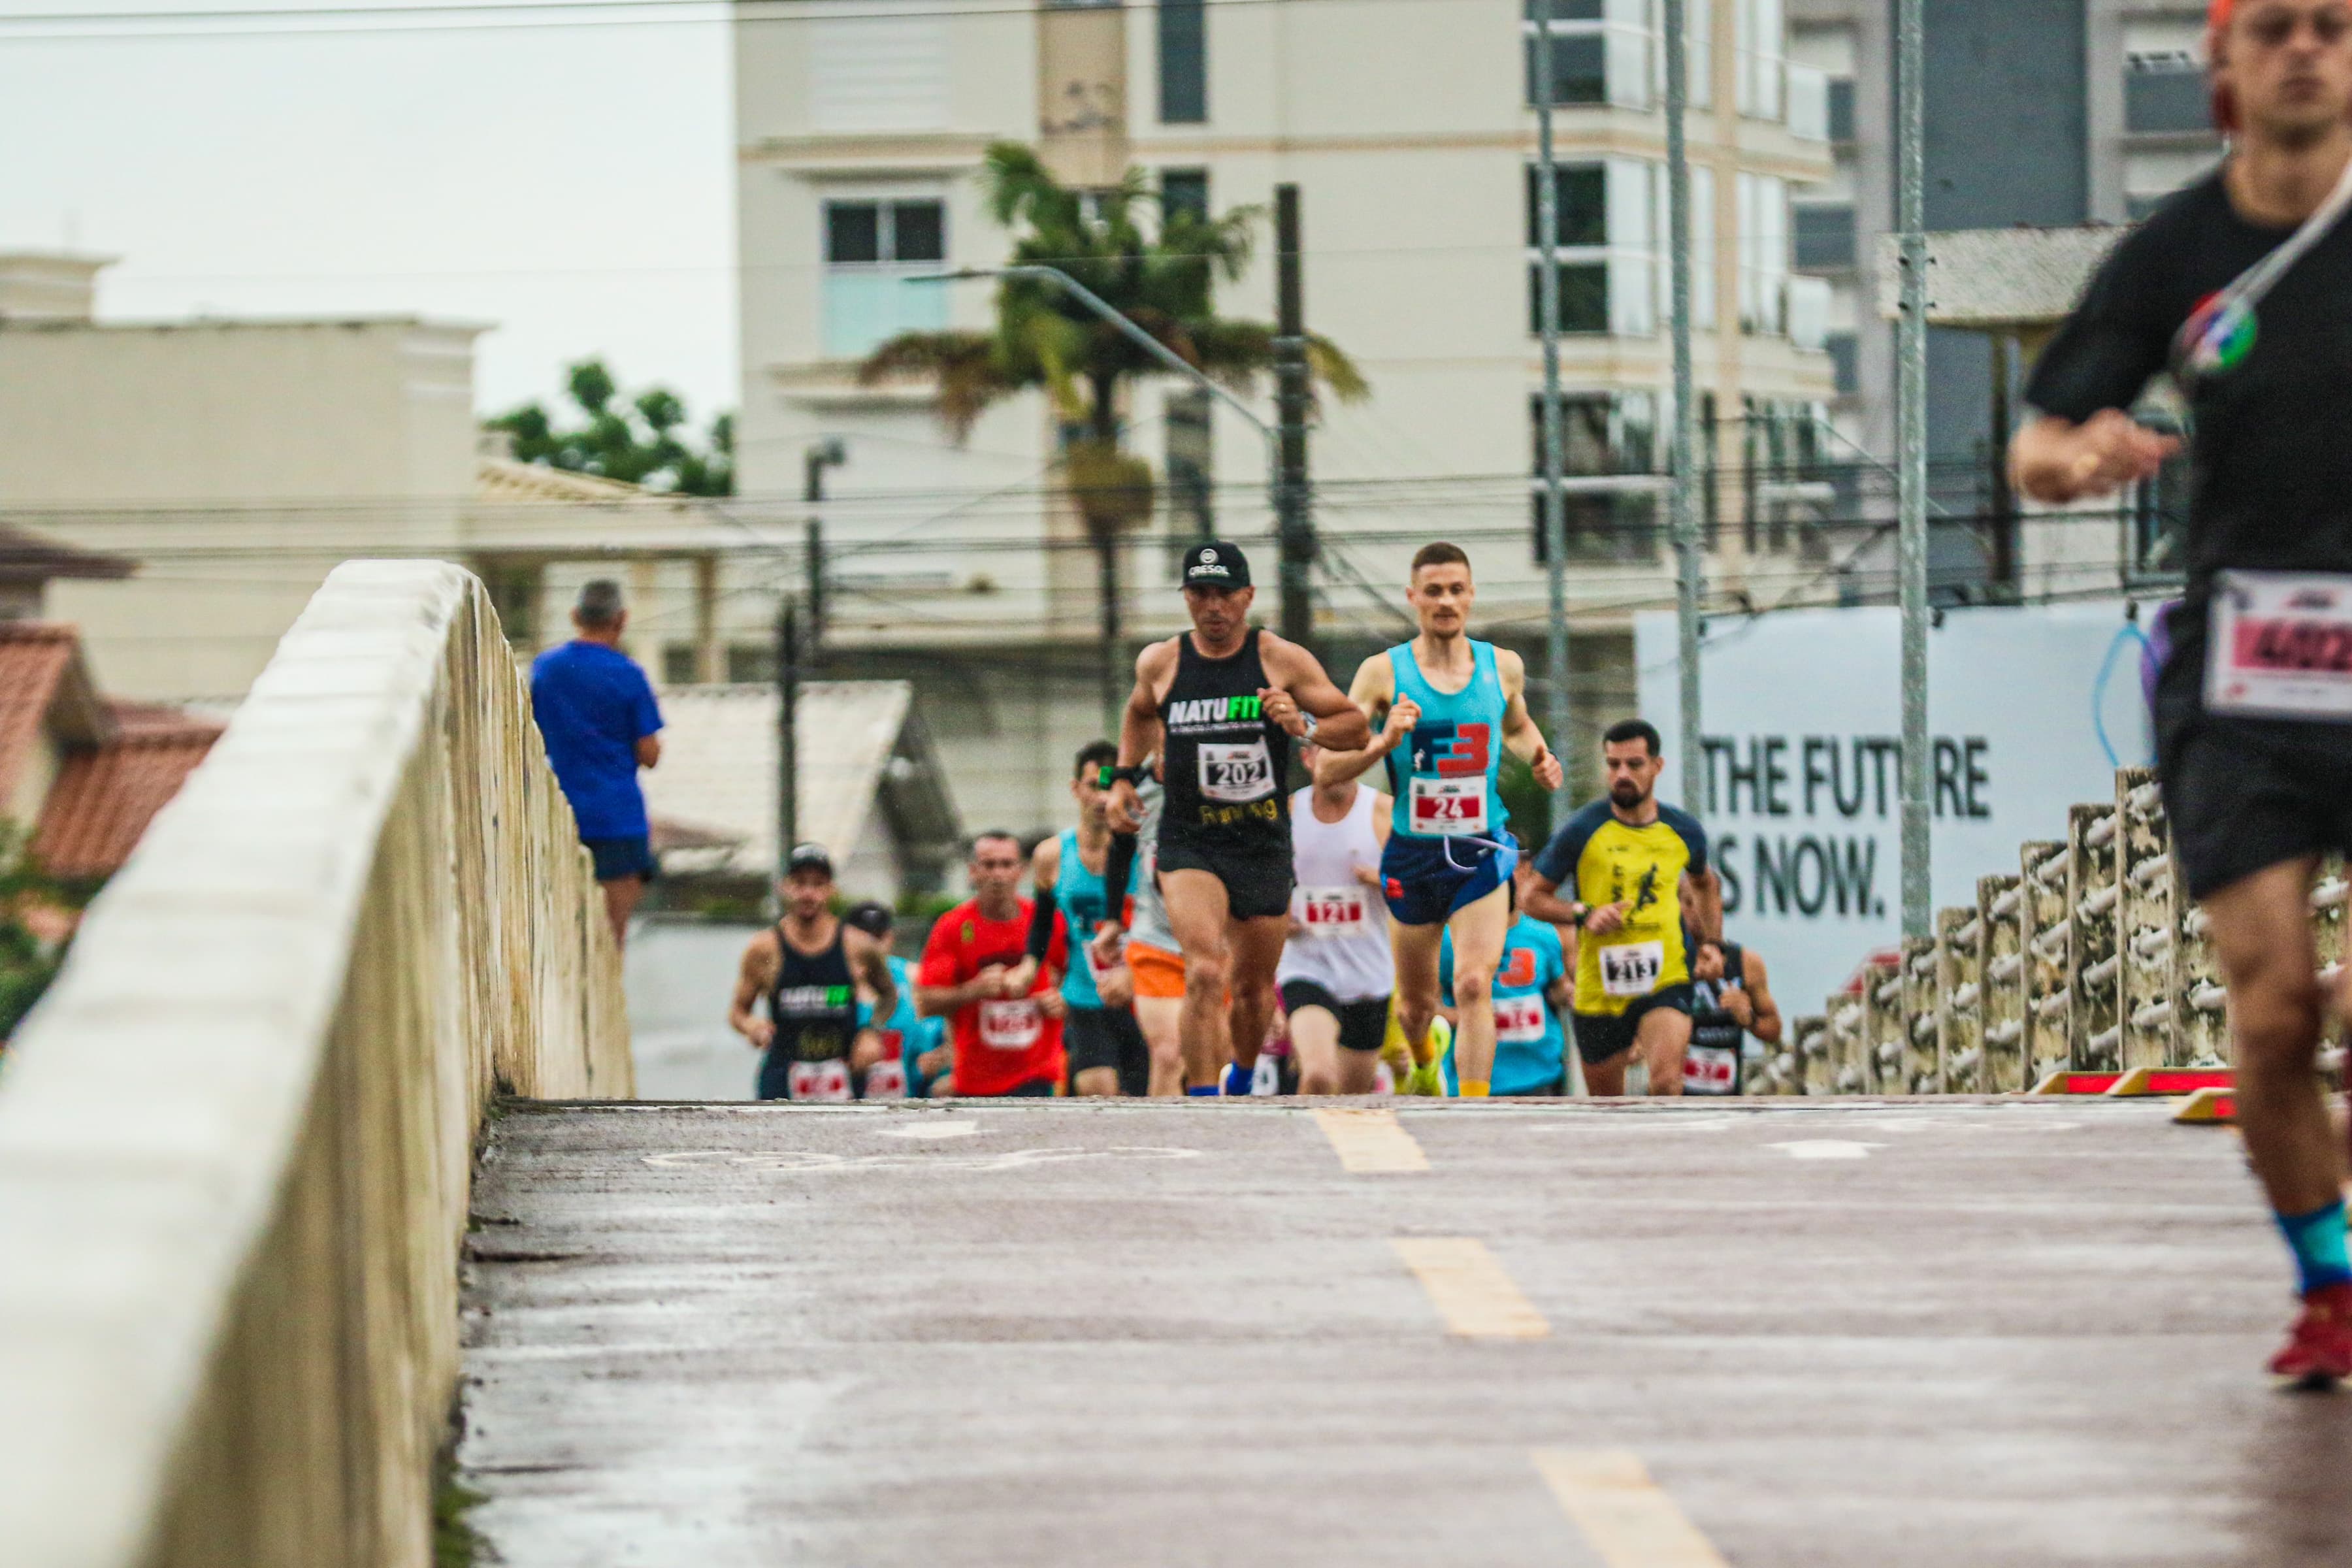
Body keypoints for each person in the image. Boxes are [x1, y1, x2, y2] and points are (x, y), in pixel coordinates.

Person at [2008, 0, 2352, 1382]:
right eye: (2273, 27)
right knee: (2271, 1015)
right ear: (2222, 62)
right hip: (2244, 672)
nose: (2305, 49)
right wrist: (2077, 459)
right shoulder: (2181, 253)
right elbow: (2036, 441)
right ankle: (2330, 1283)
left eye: (2331, 25)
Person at [1100, 542, 1371, 1096]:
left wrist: (1304, 726)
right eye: (1201, 593)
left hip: (1261, 842)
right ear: (1187, 598)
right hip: (1190, 841)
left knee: (1250, 989)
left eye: (1225, 593)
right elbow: (1138, 711)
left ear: (1248, 597)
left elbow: (1356, 726)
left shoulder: (1279, 659)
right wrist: (1121, 777)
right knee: (1202, 971)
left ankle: (1242, 1078)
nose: (1213, 606)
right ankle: (1204, 1100)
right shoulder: (1162, 661)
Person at [1314, 542, 1564, 1098]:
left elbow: (1518, 726)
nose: (1446, 601)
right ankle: (1427, 1059)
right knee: (1417, 1009)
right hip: (1413, 854)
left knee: (1475, 984)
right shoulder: (1383, 673)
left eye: (1456, 590)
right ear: (1413, 598)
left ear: (1472, 596)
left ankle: (1472, 1110)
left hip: (1481, 847)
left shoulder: (1503, 667)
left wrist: (1541, 758)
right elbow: (1330, 767)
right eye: (1434, 591)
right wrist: (1385, 741)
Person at [1524, 719, 1719, 1096]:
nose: (1622, 774)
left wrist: (1712, 943)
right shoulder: (1582, 829)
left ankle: (1665, 1156)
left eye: (1634, 764)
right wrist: (1584, 914)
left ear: (1657, 767)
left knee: (1665, 1084)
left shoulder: (1683, 830)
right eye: (1613, 765)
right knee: (1607, 1106)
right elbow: (1533, 898)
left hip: (1667, 974)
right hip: (1601, 984)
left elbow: (1705, 884)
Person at [529, 579, 664, 945]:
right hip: (618, 818)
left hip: (559, 812)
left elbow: (530, 733)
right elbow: (650, 754)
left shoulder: (545, 670)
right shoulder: (629, 675)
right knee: (610, 939)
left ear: (575, 616)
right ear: (621, 620)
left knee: (558, 935)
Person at [726, 844, 900, 1102]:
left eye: (818, 885)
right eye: (799, 884)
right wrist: (753, 1027)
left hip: (845, 1077)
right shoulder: (764, 948)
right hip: (783, 1079)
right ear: (784, 887)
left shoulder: (858, 946)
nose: (808, 894)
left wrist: (871, 1032)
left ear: (831, 890)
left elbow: (888, 995)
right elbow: (738, 1012)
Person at [1276, 740, 1394, 1095]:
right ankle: (1300, 1150)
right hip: (1306, 968)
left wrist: (1383, 880)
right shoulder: (1289, 814)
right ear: (1308, 758)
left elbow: (1421, 891)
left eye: (1349, 753)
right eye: (1331, 752)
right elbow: (1258, 883)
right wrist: (1280, 915)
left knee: (1353, 1104)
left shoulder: (1383, 814)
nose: (1342, 764)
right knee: (1319, 1076)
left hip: (1368, 977)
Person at [1030, 743, 1147, 1097]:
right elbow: (1041, 927)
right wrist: (1031, 971)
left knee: (1152, 1097)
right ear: (1075, 788)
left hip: (1145, 993)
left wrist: (1133, 972)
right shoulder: (1052, 855)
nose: (1102, 798)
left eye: (1111, 786)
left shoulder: (1146, 852)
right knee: (1097, 1091)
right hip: (1085, 998)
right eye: (1094, 785)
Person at [917, 831, 1069, 1098]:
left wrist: (1060, 1000)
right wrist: (974, 990)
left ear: (1021, 871)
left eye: (1007, 864)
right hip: (975, 1079)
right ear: (973, 871)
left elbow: (1076, 980)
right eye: (989, 865)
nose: (998, 875)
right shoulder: (951, 928)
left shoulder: (1047, 922)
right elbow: (926, 1002)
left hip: (1036, 1072)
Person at [1439, 847, 1573, 1096]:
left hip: (1540, 1074)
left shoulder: (1543, 935)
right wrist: (1471, 1017)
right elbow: (1428, 1003)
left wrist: (1570, 994)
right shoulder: (1450, 942)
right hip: (1475, 1081)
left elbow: (1557, 989)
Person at [1091, 761, 1191, 1095]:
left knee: (1210, 1058)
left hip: (1212, 940)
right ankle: (1165, 1140)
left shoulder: (1214, 771)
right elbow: (1120, 848)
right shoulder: (1137, 782)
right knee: (1168, 1054)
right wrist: (1114, 920)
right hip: (1155, 938)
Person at [1684, 901, 1784, 1097]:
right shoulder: (1670, 961)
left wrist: (1750, 1019)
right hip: (1676, 1098)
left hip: (1727, 1097)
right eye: (1688, 903)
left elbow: (1774, 1029)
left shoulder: (1746, 962)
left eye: (1704, 900)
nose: (1697, 911)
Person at [843, 900, 941, 1101]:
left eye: (878, 936)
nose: (871, 944)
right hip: (845, 1097)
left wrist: (941, 1058)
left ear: (890, 938)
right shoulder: (833, 983)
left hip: (907, 1099)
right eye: (863, 937)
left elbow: (953, 1022)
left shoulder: (913, 977)